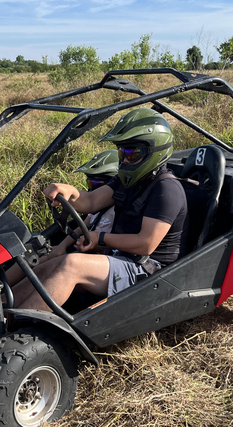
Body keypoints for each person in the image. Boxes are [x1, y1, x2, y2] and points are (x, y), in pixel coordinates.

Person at [12, 107, 188, 311]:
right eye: (122, 152)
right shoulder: (129, 182)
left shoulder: (166, 189)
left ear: (155, 150)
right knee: (46, 266)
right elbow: (92, 201)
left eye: (132, 153)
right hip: (123, 258)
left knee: (71, 265)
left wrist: (99, 238)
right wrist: (69, 192)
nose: (125, 160)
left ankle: (17, 324)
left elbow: (145, 244)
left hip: (149, 271)